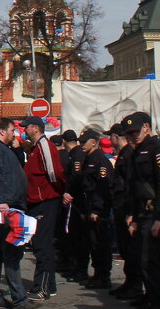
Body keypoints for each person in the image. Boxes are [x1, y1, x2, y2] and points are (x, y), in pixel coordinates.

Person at [123, 111, 160, 309]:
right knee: (145, 265)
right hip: (142, 215)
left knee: (153, 265)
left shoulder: (158, 150)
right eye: (129, 134)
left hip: (155, 215)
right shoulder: (136, 153)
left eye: (135, 131)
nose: (132, 137)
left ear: (146, 127)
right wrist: (133, 216)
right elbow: (133, 187)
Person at [0, 117, 36, 309]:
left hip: (8, 204)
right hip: (6, 207)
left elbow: (13, 166)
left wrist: (17, 147)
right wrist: (2, 202)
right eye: (12, 130)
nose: (15, 133)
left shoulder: (3, 148)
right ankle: (19, 298)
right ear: (3, 131)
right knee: (12, 252)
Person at [21, 115, 65, 299]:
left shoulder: (44, 146)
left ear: (36, 128)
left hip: (44, 200)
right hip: (38, 200)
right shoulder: (35, 148)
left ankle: (43, 287)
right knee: (40, 243)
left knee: (42, 245)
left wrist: (59, 191)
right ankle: (48, 285)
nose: (24, 130)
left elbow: (54, 172)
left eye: (27, 127)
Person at [75, 131, 115, 289]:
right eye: (80, 141)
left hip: (99, 209)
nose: (81, 144)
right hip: (89, 206)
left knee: (101, 243)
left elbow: (103, 187)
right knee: (93, 243)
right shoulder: (87, 159)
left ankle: (104, 276)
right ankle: (98, 274)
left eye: (85, 141)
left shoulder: (100, 161)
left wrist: (97, 210)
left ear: (94, 142)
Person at [108, 122, 142, 299]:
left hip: (125, 206)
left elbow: (129, 184)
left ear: (116, 137)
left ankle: (135, 286)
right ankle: (130, 283)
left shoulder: (128, 153)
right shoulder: (124, 153)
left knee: (130, 249)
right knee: (125, 248)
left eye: (111, 136)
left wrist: (129, 210)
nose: (109, 139)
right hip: (120, 205)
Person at [57, 129, 85, 283]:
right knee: (73, 235)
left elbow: (75, 177)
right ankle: (74, 266)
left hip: (76, 201)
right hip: (76, 200)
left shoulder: (76, 155)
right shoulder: (75, 154)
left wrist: (68, 192)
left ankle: (77, 267)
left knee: (76, 236)